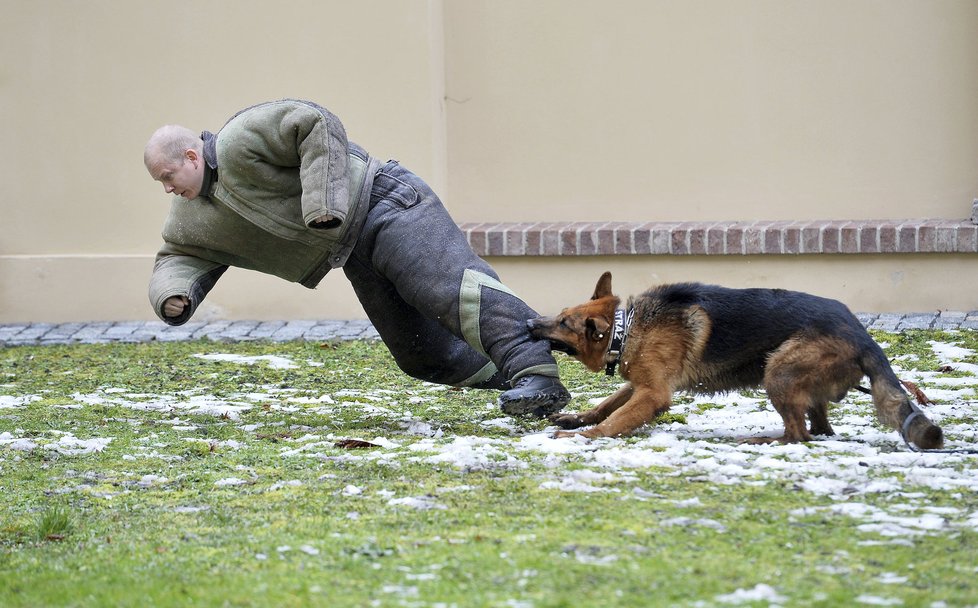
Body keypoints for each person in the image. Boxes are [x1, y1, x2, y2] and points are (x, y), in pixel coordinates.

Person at [143, 99, 569, 417]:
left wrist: (323, 199)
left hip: (384, 201)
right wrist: (173, 293)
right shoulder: (193, 215)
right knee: (420, 354)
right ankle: (518, 376)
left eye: (167, 176)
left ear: (192, 157)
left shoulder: (241, 138)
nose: (166, 188)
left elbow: (313, 123)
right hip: (352, 252)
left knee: (452, 292)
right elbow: (177, 254)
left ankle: (538, 369)